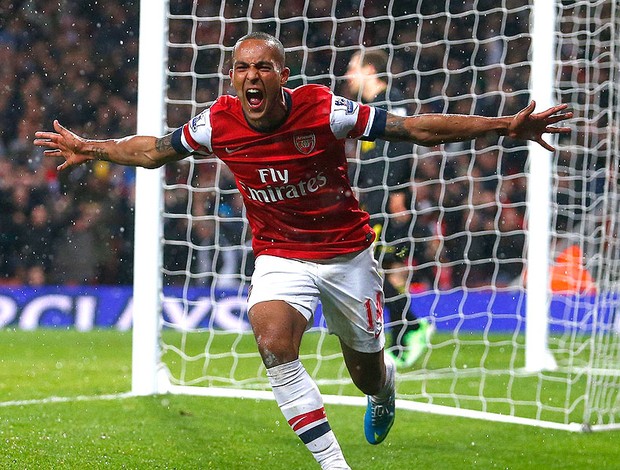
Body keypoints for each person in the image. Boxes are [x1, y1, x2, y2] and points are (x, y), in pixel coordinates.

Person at [34, 32, 572, 470]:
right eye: (242, 69)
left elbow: (412, 129)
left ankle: (384, 388)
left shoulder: (323, 109)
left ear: (282, 76)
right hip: (279, 256)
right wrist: (91, 147)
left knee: (365, 373)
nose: (251, 77)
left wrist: (504, 126)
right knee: (272, 340)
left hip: (348, 257)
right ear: (232, 77)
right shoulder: (215, 121)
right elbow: (153, 151)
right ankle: (335, 466)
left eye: (262, 68)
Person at [346, 49, 434, 368]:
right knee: (382, 269)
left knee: (378, 268)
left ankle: (409, 328)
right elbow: (370, 161)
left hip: (389, 201)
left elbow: (401, 147)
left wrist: (397, 191)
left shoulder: (391, 99)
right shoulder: (366, 108)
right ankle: (405, 331)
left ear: (370, 69)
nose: (348, 75)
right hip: (374, 201)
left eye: (353, 68)